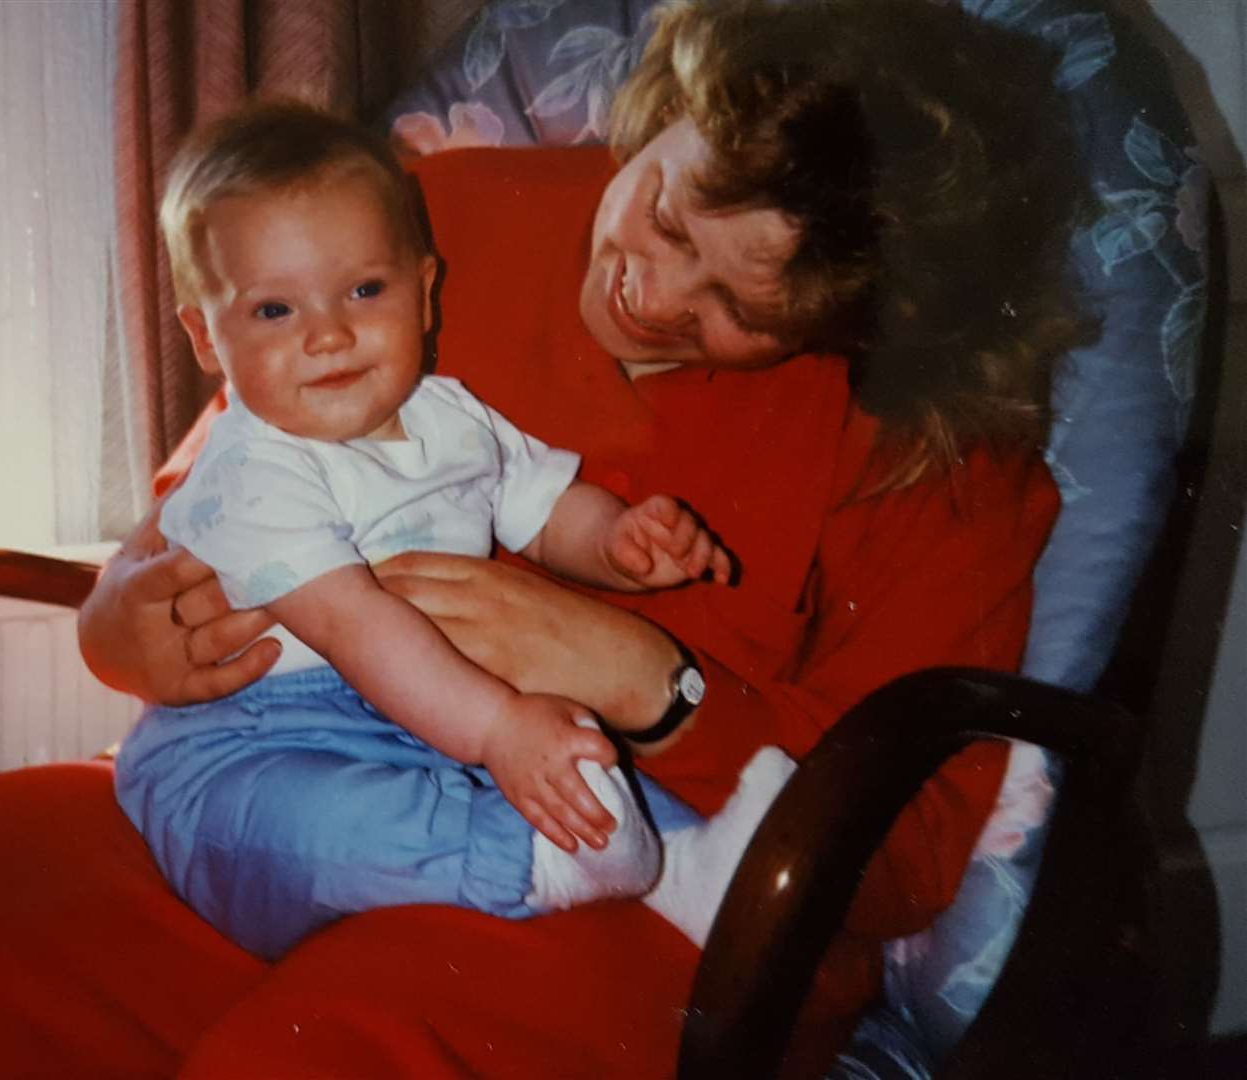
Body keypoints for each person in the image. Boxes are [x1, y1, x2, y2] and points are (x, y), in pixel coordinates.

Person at [79, 0, 1090, 1073]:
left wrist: (658, 691)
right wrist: (115, 627)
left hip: (666, 903)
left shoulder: (935, 456)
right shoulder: (423, 230)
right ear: (669, 110)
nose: (651, 293)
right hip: (298, 777)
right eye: (666, 209)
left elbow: (909, 850)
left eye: (741, 306)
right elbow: (205, 496)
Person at [113, 102, 789, 961]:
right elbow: (356, 624)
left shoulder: (450, 414)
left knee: (578, 755)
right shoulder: (252, 469)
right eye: (274, 311)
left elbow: (542, 507)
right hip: (249, 743)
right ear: (206, 337)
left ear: (423, 290)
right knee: (334, 825)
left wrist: (620, 544)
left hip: (425, 713)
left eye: (364, 290)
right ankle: (528, 860)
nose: (327, 333)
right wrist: (499, 728)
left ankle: (694, 860)